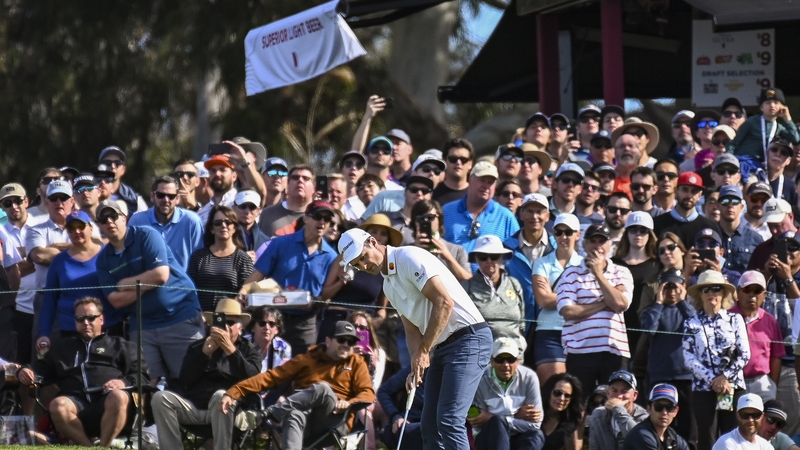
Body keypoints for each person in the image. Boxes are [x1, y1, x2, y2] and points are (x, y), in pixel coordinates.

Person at [338, 228, 491, 450]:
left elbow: (444, 303)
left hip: (469, 339)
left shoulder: (409, 257)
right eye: (356, 265)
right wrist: (414, 365)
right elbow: (412, 330)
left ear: (372, 241)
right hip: (442, 346)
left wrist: (424, 351)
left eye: (363, 257)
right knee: (429, 426)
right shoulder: (388, 285)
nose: (363, 266)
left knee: (449, 420)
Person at [220, 321, 375, 450]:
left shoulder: (356, 363)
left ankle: (269, 413)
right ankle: (273, 414)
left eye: (351, 341)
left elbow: (367, 393)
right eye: (341, 340)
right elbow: (270, 378)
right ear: (328, 341)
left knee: (322, 388)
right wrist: (234, 392)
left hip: (334, 419)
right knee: (294, 415)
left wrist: (349, 403)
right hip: (304, 418)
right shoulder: (307, 359)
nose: (346, 345)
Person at [17, 297, 149, 447]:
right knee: (58, 405)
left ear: (101, 319)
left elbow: (142, 376)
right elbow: (38, 370)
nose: (86, 322)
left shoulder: (122, 346)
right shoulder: (61, 348)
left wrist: (122, 382)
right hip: (76, 404)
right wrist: (24, 371)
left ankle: (104, 446)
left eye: (91, 318)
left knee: (118, 396)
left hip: (109, 403)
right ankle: (88, 447)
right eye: (80, 318)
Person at [95, 199, 204, 380]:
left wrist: (124, 284)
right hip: (142, 325)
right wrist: (148, 284)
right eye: (103, 219)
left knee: (189, 379)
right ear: (99, 225)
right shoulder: (103, 260)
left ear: (125, 218)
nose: (109, 222)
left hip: (180, 317)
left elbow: (160, 275)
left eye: (113, 216)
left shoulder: (146, 235)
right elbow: (115, 300)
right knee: (145, 382)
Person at [151, 299, 261, 450]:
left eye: (230, 323)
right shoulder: (198, 347)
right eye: (220, 322)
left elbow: (252, 380)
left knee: (221, 395)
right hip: (196, 409)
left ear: (240, 327)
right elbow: (185, 380)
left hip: (233, 411)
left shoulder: (250, 350)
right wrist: (204, 355)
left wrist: (230, 349)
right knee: (160, 398)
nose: (225, 328)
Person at [241, 200, 338, 354]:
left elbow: (325, 296)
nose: (322, 222)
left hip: (305, 323)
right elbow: (258, 274)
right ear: (306, 218)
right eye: (318, 216)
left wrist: (316, 302)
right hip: (273, 318)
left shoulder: (332, 257)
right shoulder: (281, 243)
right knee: (265, 362)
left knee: (300, 369)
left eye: (327, 219)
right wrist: (242, 294)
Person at [556, 224, 633, 397]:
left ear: (609, 245)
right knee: (579, 405)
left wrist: (598, 274)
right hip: (580, 351)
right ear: (584, 245)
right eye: (593, 241)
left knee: (614, 403)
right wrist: (606, 301)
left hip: (614, 350)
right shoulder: (570, 274)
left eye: (602, 241)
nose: (597, 246)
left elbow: (621, 304)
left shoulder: (622, 272)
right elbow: (568, 312)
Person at [683, 270, 750, 450]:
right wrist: (713, 379)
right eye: (706, 289)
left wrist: (725, 377)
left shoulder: (735, 319)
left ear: (723, 293)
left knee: (734, 437)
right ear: (699, 294)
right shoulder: (691, 323)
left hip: (733, 387)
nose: (711, 293)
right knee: (707, 439)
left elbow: (744, 354)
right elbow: (688, 357)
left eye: (716, 288)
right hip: (703, 389)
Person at [38, 211, 115, 345]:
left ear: (91, 228)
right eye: (71, 228)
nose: (76, 231)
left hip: (107, 326)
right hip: (70, 328)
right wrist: (44, 333)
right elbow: (49, 300)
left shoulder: (108, 254)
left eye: (81, 226)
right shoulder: (59, 261)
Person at [640, 269, 697, 446]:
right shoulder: (653, 310)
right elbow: (649, 329)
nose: (672, 291)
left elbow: (696, 327)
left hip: (686, 377)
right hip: (660, 376)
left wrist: (682, 301)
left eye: (675, 286)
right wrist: (658, 301)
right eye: (667, 286)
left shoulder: (690, 310)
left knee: (690, 428)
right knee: (661, 424)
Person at [532, 213, 582, 384]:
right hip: (549, 331)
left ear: (578, 234)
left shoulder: (585, 264)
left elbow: (589, 298)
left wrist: (554, 296)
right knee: (552, 387)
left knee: (578, 388)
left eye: (568, 232)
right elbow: (543, 300)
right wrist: (574, 295)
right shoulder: (541, 263)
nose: (563, 236)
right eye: (558, 232)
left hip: (579, 330)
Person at [470, 338, 545, 450]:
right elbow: (477, 422)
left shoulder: (529, 377)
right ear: (492, 361)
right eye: (500, 359)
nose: (505, 365)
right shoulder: (480, 380)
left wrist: (497, 418)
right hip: (487, 440)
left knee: (536, 435)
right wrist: (515, 416)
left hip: (517, 437)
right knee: (497, 422)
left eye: (510, 359)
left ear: (518, 360)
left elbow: (534, 424)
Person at [441, 161, 520, 265]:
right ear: (470, 180)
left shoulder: (506, 217)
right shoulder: (446, 211)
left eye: (490, 182)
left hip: (490, 280)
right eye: (482, 180)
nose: (486, 186)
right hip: (453, 279)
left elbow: (516, 257)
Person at [461, 236, 526, 352]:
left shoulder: (514, 284)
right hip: (481, 354)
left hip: (513, 355)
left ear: (501, 258)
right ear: (476, 259)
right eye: (483, 257)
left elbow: (521, 324)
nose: (489, 261)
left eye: (494, 256)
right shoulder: (467, 287)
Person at [127, 175, 204, 271]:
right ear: (152, 197)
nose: (166, 200)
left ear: (177, 199)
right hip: (147, 282)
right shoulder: (137, 221)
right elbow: (129, 257)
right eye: (161, 195)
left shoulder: (191, 221)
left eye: (171, 196)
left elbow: (200, 260)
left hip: (182, 284)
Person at [1, 182, 41, 363]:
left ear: (27, 201)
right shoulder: (2, 232)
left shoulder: (41, 226)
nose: (13, 207)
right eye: (7, 203)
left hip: (42, 303)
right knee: (20, 361)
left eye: (17, 201)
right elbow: (13, 270)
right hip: (18, 307)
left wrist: (34, 255)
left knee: (43, 361)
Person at [505, 193, 554, 341]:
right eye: (529, 211)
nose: (534, 216)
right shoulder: (506, 248)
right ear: (521, 214)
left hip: (550, 324)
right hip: (515, 325)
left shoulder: (558, 248)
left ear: (547, 216)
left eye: (539, 212)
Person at [187, 205, 254, 312]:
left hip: (231, 318)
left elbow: (246, 292)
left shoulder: (243, 258)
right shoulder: (198, 257)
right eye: (218, 223)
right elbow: (189, 290)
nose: (223, 226)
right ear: (211, 229)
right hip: (201, 318)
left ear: (235, 228)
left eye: (228, 222)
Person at [730, 271, 785, 401]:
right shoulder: (726, 318)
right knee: (735, 421)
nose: (752, 295)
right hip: (734, 382)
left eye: (757, 290)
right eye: (747, 289)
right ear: (738, 292)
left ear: (764, 295)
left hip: (762, 383)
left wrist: (772, 385)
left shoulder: (770, 320)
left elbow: (776, 357)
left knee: (765, 420)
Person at [611, 211, 660, 356]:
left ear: (650, 234)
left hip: (645, 330)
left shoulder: (657, 264)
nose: (638, 234)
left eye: (643, 230)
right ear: (626, 233)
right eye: (633, 230)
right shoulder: (613, 263)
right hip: (617, 328)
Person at [653, 171, 722, 249]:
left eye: (694, 191)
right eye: (685, 190)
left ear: (699, 195)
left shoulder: (710, 227)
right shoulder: (657, 224)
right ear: (676, 191)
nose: (689, 195)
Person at [728, 88, 800, 163]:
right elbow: (734, 143)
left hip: (762, 165)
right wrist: (729, 160)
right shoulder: (752, 121)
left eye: (776, 103)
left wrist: (787, 118)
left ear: (782, 107)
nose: (772, 105)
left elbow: (795, 138)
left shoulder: (778, 127)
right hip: (744, 161)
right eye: (768, 103)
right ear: (761, 107)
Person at [587, 370, 648, 450]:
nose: (619, 396)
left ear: (635, 395)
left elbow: (638, 440)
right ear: (608, 394)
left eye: (624, 391)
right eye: (614, 391)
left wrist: (618, 409)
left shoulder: (645, 418)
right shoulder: (598, 415)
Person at [622, 383, 690, 450]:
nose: (664, 412)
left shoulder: (673, 437)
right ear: (649, 408)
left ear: (676, 411)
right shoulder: (641, 435)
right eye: (659, 407)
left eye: (669, 407)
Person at [258, 165, 316, 237]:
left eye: (305, 178)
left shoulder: (321, 217)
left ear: (314, 188)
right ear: (287, 186)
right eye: (295, 177)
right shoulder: (267, 214)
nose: (300, 180)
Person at [717, 186, 764, 274]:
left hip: (745, 286)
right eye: (725, 201)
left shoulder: (755, 238)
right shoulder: (710, 235)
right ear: (718, 206)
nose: (730, 206)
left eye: (735, 202)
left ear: (742, 207)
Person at [377, 366, 425, 450]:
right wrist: (395, 416)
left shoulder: (452, 375)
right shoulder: (416, 369)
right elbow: (384, 391)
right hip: (411, 426)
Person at [96, 146, 148, 213]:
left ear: (123, 170)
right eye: (107, 163)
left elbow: (147, 220)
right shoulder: (89, 193)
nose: (113, 166)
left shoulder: (134, 199)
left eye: (117, 163)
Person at [540, 372, 584, 450]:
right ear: (548, 392)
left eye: (567, 395)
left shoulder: (571, 422)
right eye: (557, 393)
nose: (562, 399)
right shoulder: (533, 414)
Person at [433, 138, 473, 205]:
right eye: (453, 159)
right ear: (444, 161)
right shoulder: (433, 194)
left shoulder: (476, 194)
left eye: (463, 160)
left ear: (470, 164)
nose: (458, 162)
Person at [232, 189, 268, 255]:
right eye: (243, 206)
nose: (247, 211)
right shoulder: (223, 236)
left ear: (258, 210)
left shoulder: (266, 242)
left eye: (252, 207)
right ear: (233, 208)